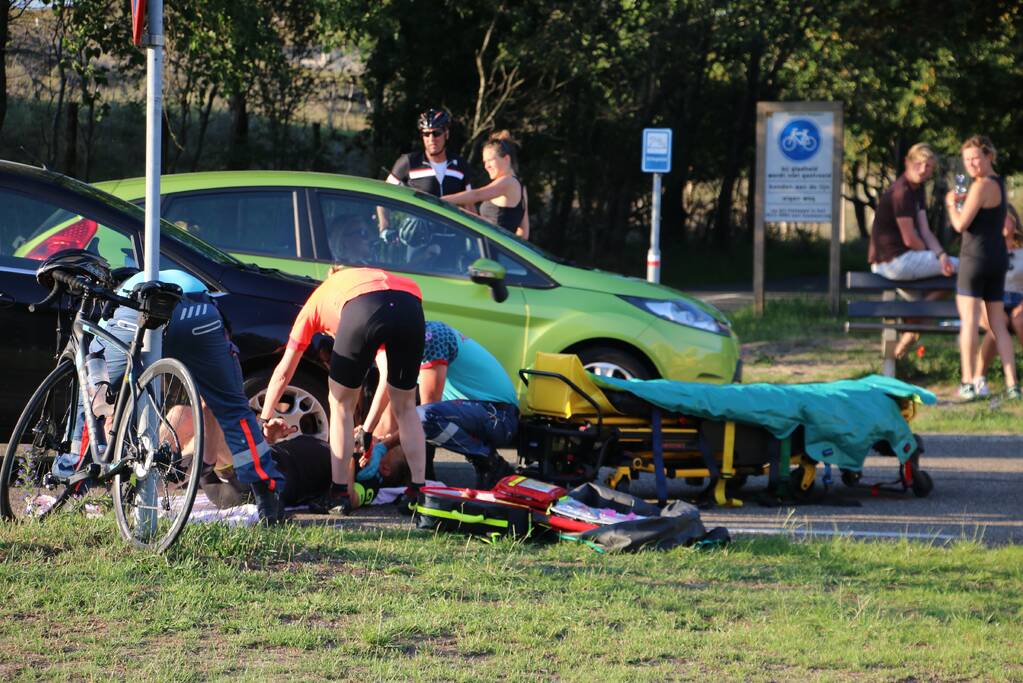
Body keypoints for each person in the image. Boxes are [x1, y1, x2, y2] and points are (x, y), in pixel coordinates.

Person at [57, 269, 287, 523]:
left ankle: (72, 480)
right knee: (234, 411)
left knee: (90, 395)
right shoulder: (191, 283)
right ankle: (267, 495)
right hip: (200, 313)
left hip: (133, 313)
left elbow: (94, 356)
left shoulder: (121, 293)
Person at [259, 266, 428, 515]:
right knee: (405, 406)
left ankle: (338, 495)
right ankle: (418, 493)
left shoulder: (316, 302)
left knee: (339, 404)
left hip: (364, 306)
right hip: (410, 304)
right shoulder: (364, 278)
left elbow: (284, 370)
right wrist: (367, 430)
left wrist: (264, 417)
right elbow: (386, 376)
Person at [360, 320, 519, 489]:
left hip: (501, 417)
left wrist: (384, 446)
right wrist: (368, 441)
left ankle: (491, 463)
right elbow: (390, 413)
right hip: (485, 412)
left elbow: (425, 416)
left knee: (423, 418)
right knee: (420, 419)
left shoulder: (431, 338)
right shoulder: (401, 341)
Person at [166, 409, 410, 512]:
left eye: (379, 444)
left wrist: (349, 454)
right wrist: (270, 438)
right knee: (182, 413)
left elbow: (351, 499)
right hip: (250, 468)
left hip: (256, 485)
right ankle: (151, 476)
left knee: (211, 421)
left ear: (385, 468)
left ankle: (153, 485)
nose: (376, 439)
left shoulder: (366, 479)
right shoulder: (334, 448)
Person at [945, 135, 1019, 401]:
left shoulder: (981, 185)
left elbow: (960, 225)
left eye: (976, 157)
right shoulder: (999, 183)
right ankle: (1012, 385)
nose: (972, 163)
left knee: (969, 322)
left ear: (989, 156)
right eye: (967, 160)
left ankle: (967, 382)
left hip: (975, 259)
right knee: (999, 323)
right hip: (997, 259)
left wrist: (952, 205)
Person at [867, 142, 957, 358]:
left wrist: (941, 255)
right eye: (919, 164)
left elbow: (925, 231)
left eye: (928, 167)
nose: (923, 170)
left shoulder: (917, 191)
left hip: (904, 260)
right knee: (964, 267)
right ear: (908, 162)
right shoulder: (901, 192)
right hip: (893, 261)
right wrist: (935, 257)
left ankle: (901, 348)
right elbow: (910, 238)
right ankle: (918, 316)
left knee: (930, 302)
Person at [973, 204, 1023, 397]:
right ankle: (979, 378)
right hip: (991, 301)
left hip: (1019, 302)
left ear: (1013, 220)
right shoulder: (985, 248)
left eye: (1003, 218)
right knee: (997, 324)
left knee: (1020, 320)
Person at [443, 130, 529, 239]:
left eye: (490, 160)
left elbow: (477, 195)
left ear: (506, 159)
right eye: (485, 162)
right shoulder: (521, 188)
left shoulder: (508, 182)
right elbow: (523, 234)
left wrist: (441, 200)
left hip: (491, 249)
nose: (486, 166)